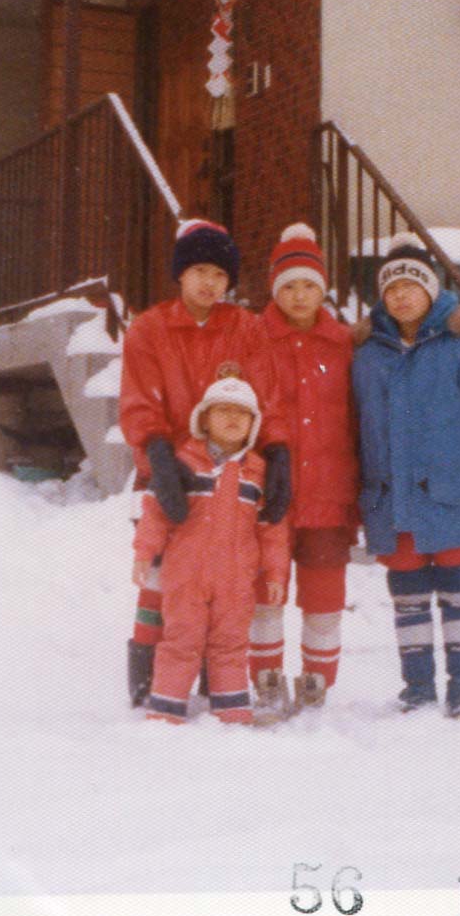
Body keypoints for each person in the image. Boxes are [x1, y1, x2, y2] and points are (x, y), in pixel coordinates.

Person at [351, 232, 460, 717]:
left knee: (458, 588)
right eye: (391, 288)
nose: (401, 296)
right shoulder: (367, 354)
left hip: (451, 495)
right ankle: (418, 686)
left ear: (431, 289)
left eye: (411, 285)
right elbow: (353, 430)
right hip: (393, 498)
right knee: (407, 591)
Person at [120, 218, 291, 706]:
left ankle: (215, 677)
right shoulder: (149, 329)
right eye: (198, 271)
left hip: (228, 473)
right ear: (180, 273)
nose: (208, 283)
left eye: (219, 274)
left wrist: (276, 451)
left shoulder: (246, 328)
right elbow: (139, 401)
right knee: (161, 577)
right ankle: (148, 678)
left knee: (220, 578)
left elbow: (266, 397)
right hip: (168, 469)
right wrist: (157, 455)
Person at [131, 375, 290, 724]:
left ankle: (232, 712)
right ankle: (165, 711)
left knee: (230, 644)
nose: (232, 418)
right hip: (186, 575)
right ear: (204, 419)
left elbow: (272, 531)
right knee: (181, 640)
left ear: (253, 424)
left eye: (241, 413)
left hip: (236, 580)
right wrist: (144, 552)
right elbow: (155, 512)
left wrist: (276, 573)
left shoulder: (258, 473)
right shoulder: (184, 464)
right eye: (223, 410)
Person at [248, 224, 358, 716]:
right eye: (288, 285)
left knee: (324, 599)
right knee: (265, 595)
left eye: (308, 285)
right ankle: (267, 679)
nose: (298, 295)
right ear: (275, 289)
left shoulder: (343, 345)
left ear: (323, 289)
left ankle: (317, 683)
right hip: (270, 492)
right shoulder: (255, 339)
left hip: (329, 493)